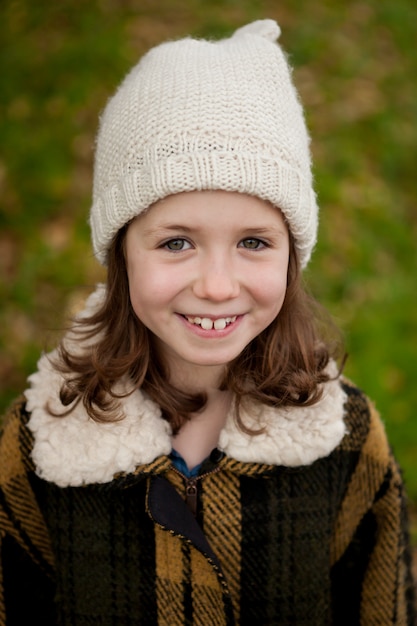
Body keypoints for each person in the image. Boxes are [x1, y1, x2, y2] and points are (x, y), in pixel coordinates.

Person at [0, 18, 414, 625]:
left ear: (293, 255)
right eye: (175, 244)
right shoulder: (40, 446)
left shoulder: (346, 442)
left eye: (253, 241)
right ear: (120, 254)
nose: (217, 286)